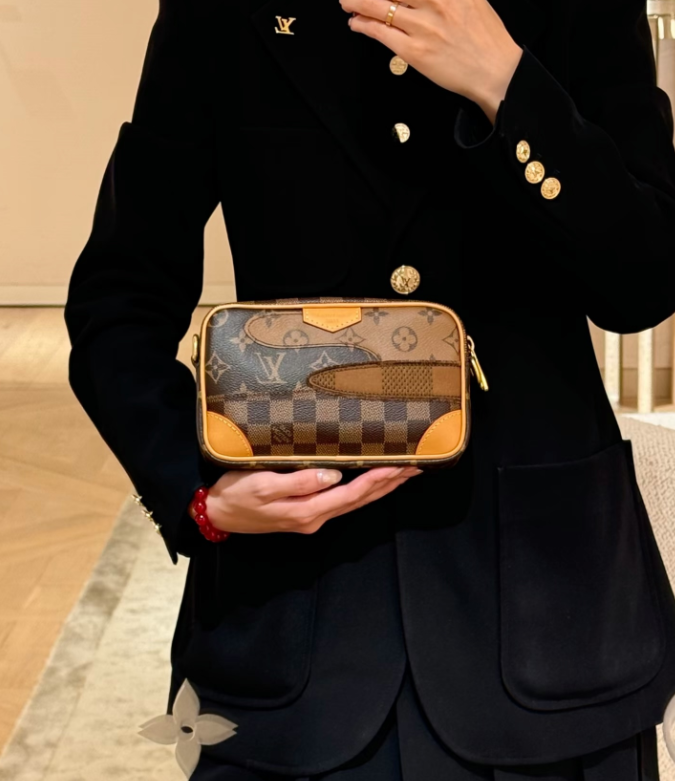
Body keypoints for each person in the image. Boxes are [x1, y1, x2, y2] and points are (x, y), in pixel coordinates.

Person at [64, 0, 675, 777]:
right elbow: (119, 295)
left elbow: (643, 281)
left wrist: (506, 84)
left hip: (549, 618)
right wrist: (196, 488)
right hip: (290, 624)